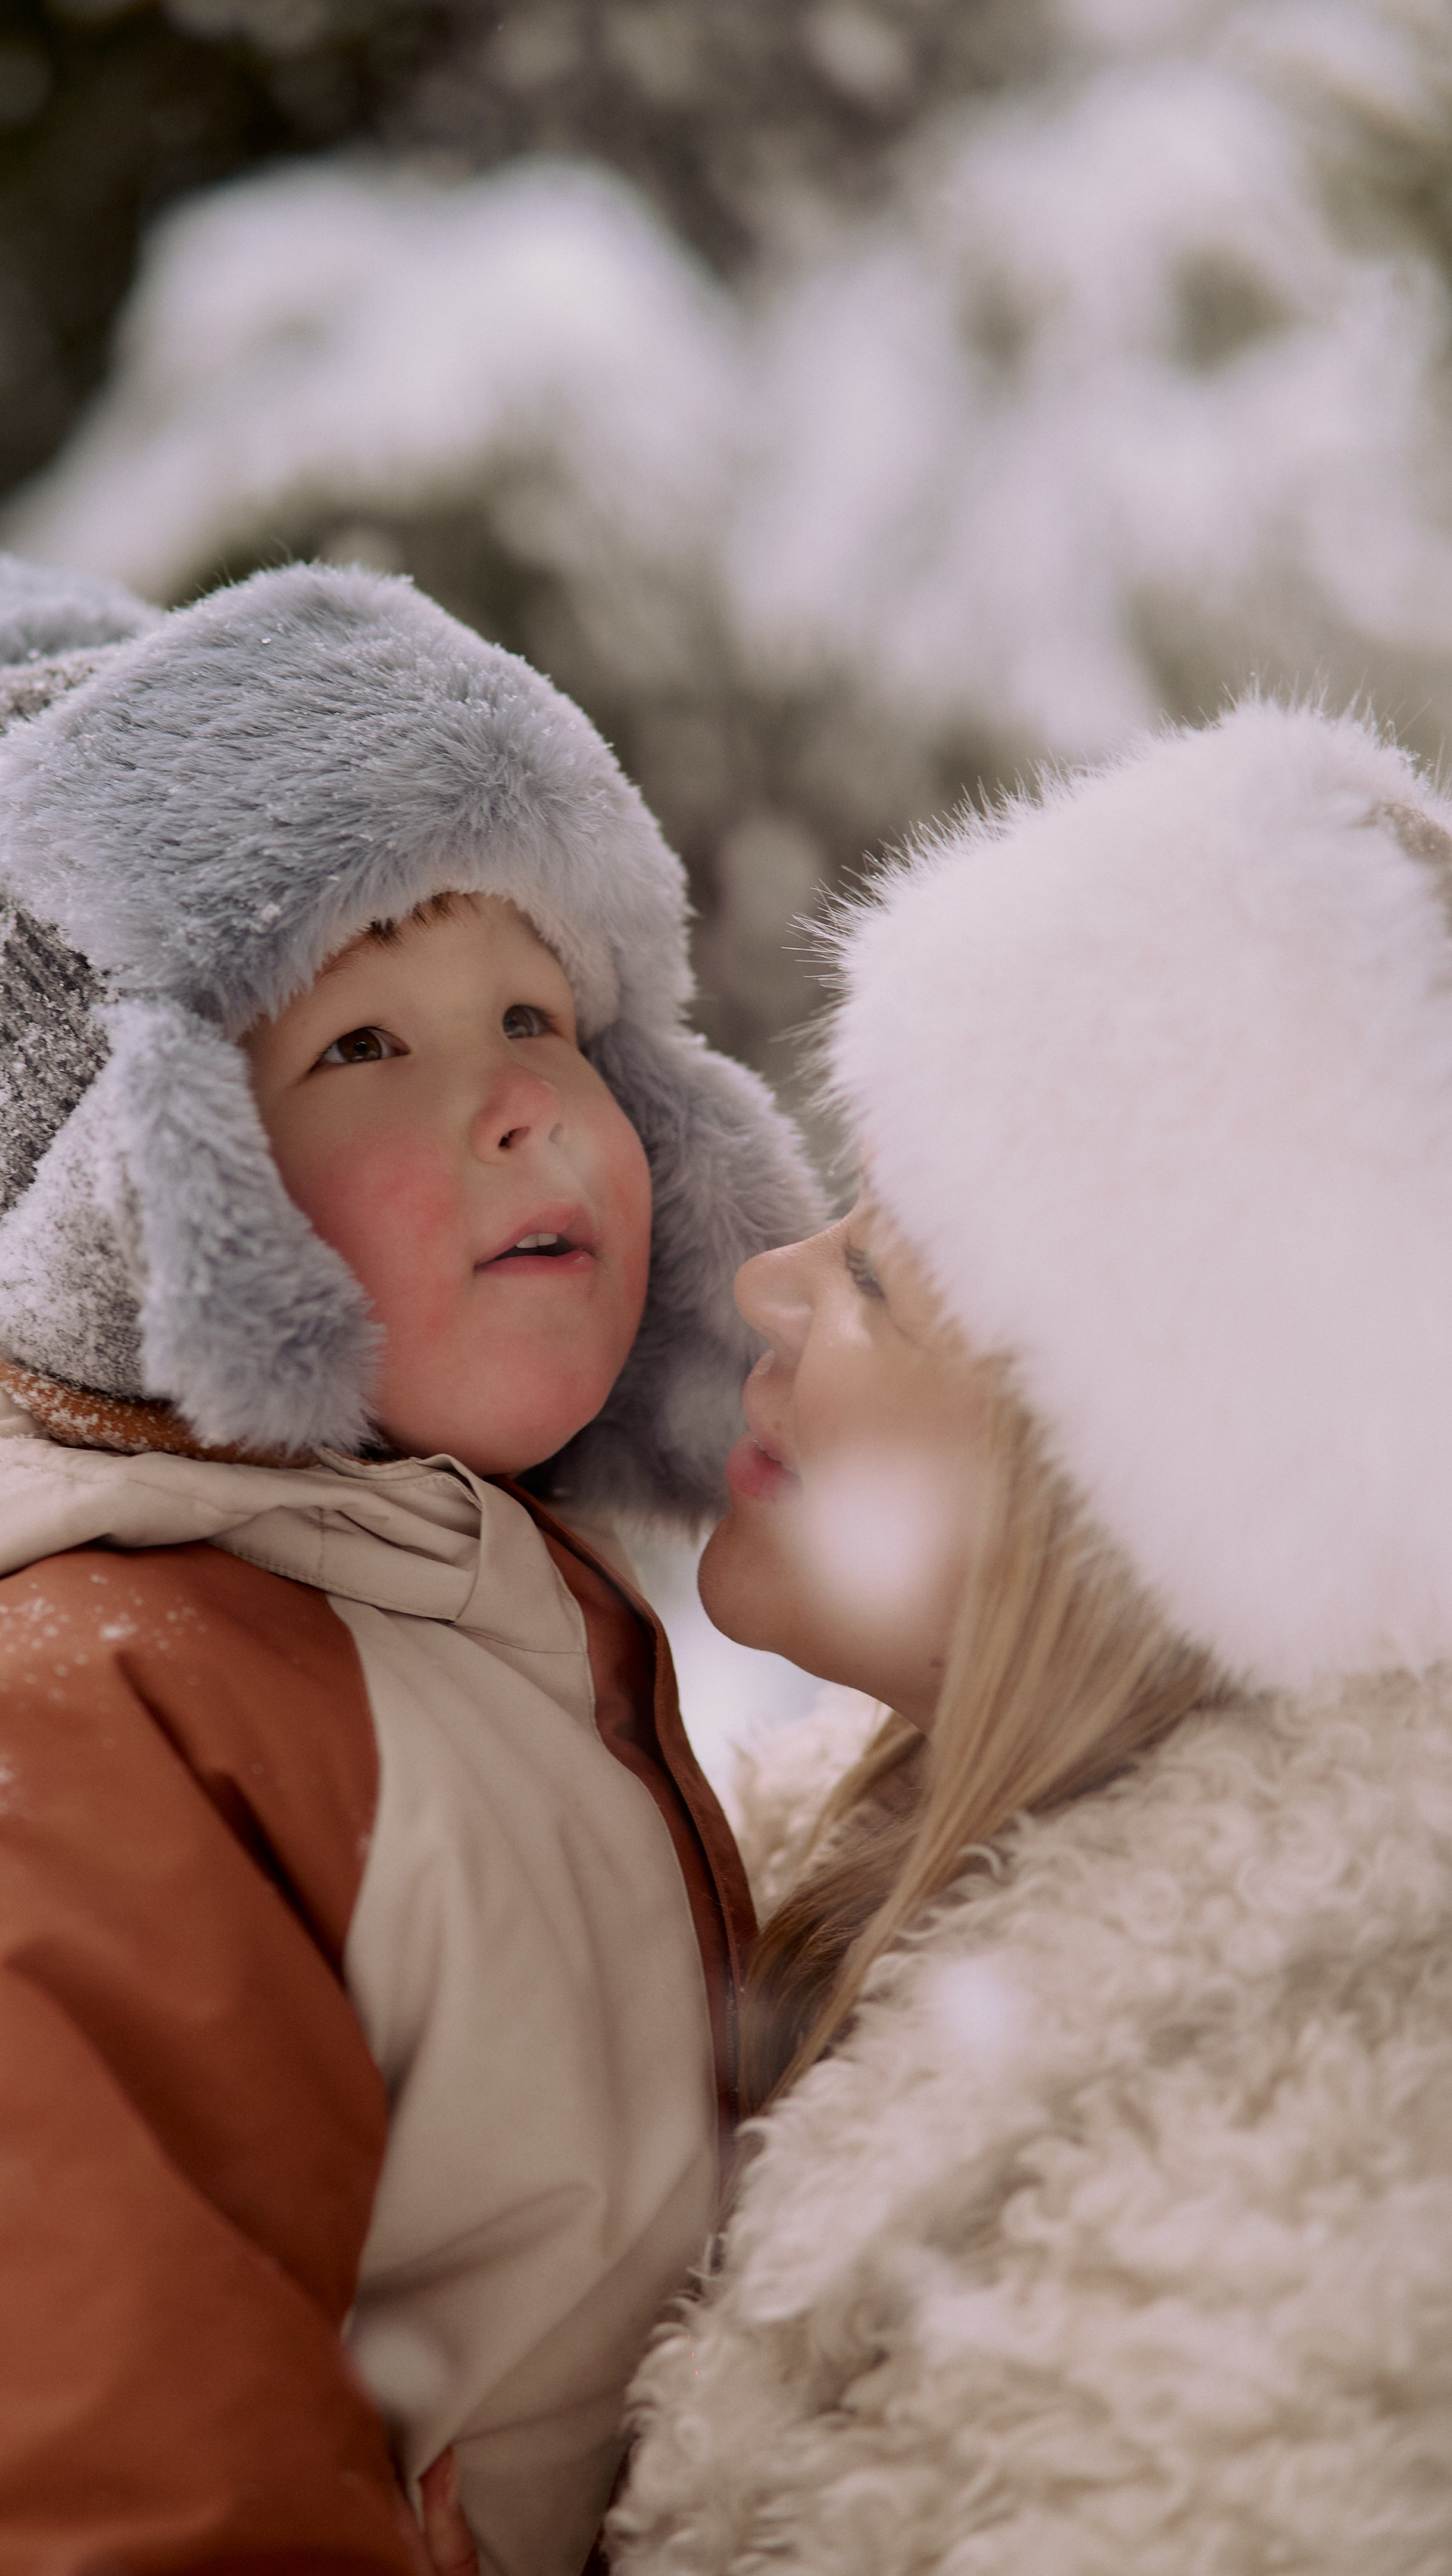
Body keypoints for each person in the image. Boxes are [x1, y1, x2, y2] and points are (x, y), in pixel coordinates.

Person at [0, 556, 821, 2576]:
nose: (520, 1102)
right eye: (362, 1042)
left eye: (537, 1010)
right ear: (143, 1185)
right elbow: (29, 2492)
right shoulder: (1, 1744)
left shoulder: (392, 1585)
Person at [612, 700, 1452, 2571]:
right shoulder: (816, 1863)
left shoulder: (1263, 2271)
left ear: (1116, 1506)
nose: (770, 1282)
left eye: (879, 1279)